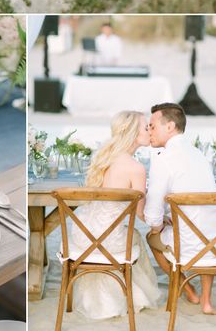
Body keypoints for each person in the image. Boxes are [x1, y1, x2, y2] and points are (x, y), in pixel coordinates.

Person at [66, 111, 160, 319]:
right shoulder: (136, 168)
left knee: (126, 232)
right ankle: (132, 297)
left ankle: (103, 298)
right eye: (146, 127)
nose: (150, 130)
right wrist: (162, 217)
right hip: (107, 240)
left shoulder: (103, 158)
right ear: (134, 133)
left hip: (82, 234)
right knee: (135, 235)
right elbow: (142, 214)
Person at [145, 102, 216, 316]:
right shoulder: (200, 155)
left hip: (188, 243)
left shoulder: (163, 159)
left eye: (153, 126)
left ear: (170, 126)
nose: (149, 131)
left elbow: (153, 207)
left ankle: (190, 290)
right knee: (206, 229)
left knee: (151, 238)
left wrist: (156, 226)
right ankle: (207, 302)